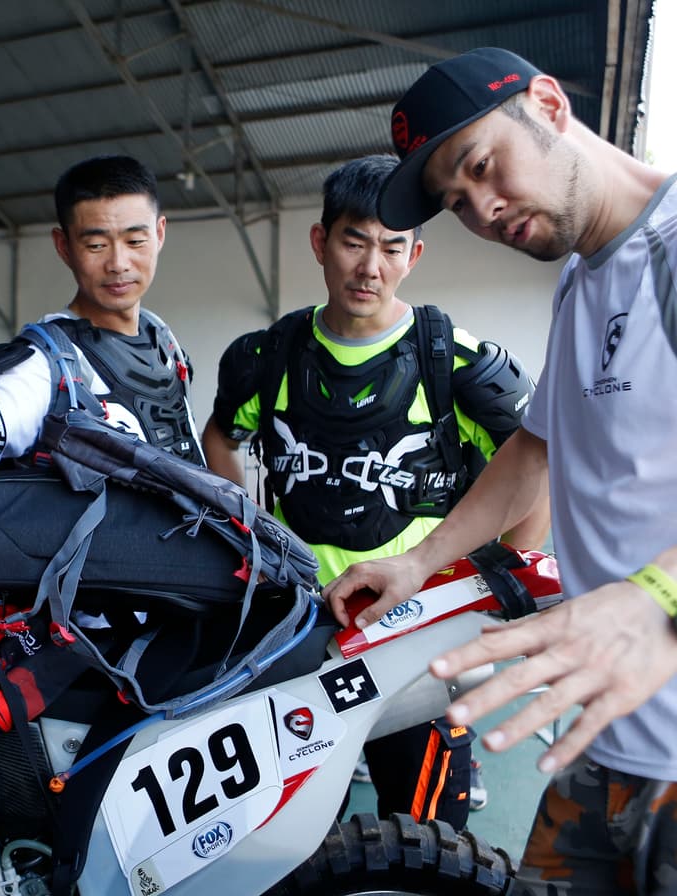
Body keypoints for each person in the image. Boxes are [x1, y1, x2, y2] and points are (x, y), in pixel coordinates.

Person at [323, 46, 677, 892]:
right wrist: (419, 560)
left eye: (482, 166)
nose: (483, 210)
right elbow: (536, 448)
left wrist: (657, 594)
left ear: (549, 104)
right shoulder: (584, 281)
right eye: (456, 200)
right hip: (605, 742)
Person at [202, 153, 547, 831]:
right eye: (354, 242)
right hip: (298, 632)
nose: (370, 267)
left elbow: (535, 464)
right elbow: (221, 435)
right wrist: (245, 529)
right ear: (320, 242)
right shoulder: (265, 358)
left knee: (427, 838)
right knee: (289, 839)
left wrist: (499, 584)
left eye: (391, 248)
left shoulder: (455, 361)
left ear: (414, 254)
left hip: (416, 637)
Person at [0, 154, 203, 676]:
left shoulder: (163, 341)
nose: (118, 263)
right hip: (98, 645)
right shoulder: (49, 363)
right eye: (96, 244)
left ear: (159, 233)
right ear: (64, 246)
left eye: (135, 240)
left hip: (184, 612)